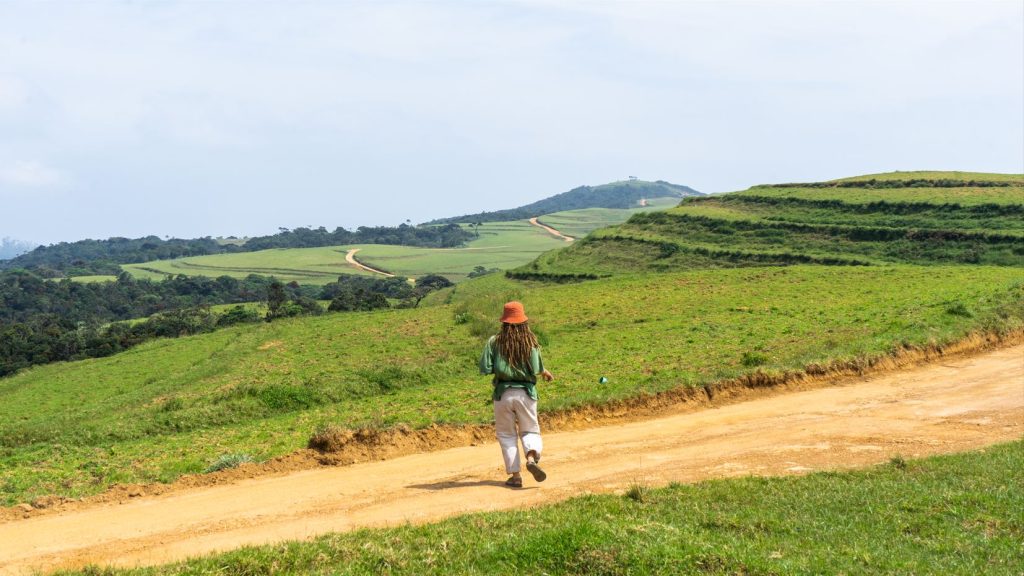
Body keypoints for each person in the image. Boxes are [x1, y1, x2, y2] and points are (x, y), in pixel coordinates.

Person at [479, 301, 554, 487]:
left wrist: (502, 365)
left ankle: (515, 476)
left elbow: (485, 367)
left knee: (506, 435)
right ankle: (530, 458)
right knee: (529, 430)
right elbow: (536, 368)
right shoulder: (531, 341)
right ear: (523, 320)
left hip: (503, 394)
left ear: (504, 321)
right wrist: (544, 372)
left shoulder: (494, 341)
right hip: (526, 394)